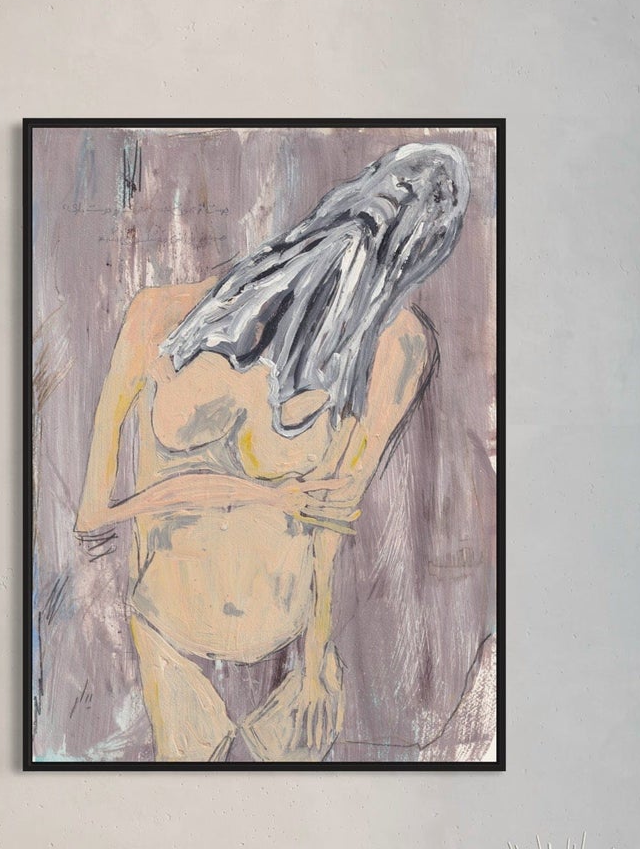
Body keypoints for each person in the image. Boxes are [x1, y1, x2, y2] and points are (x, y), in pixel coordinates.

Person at [75, 142, 469, 761]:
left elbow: (332, 518)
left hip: (287, 654)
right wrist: (266, 494)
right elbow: (93, 514)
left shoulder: (397, 347)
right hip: (169, 640)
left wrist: (314, 661)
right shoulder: (154, 316)